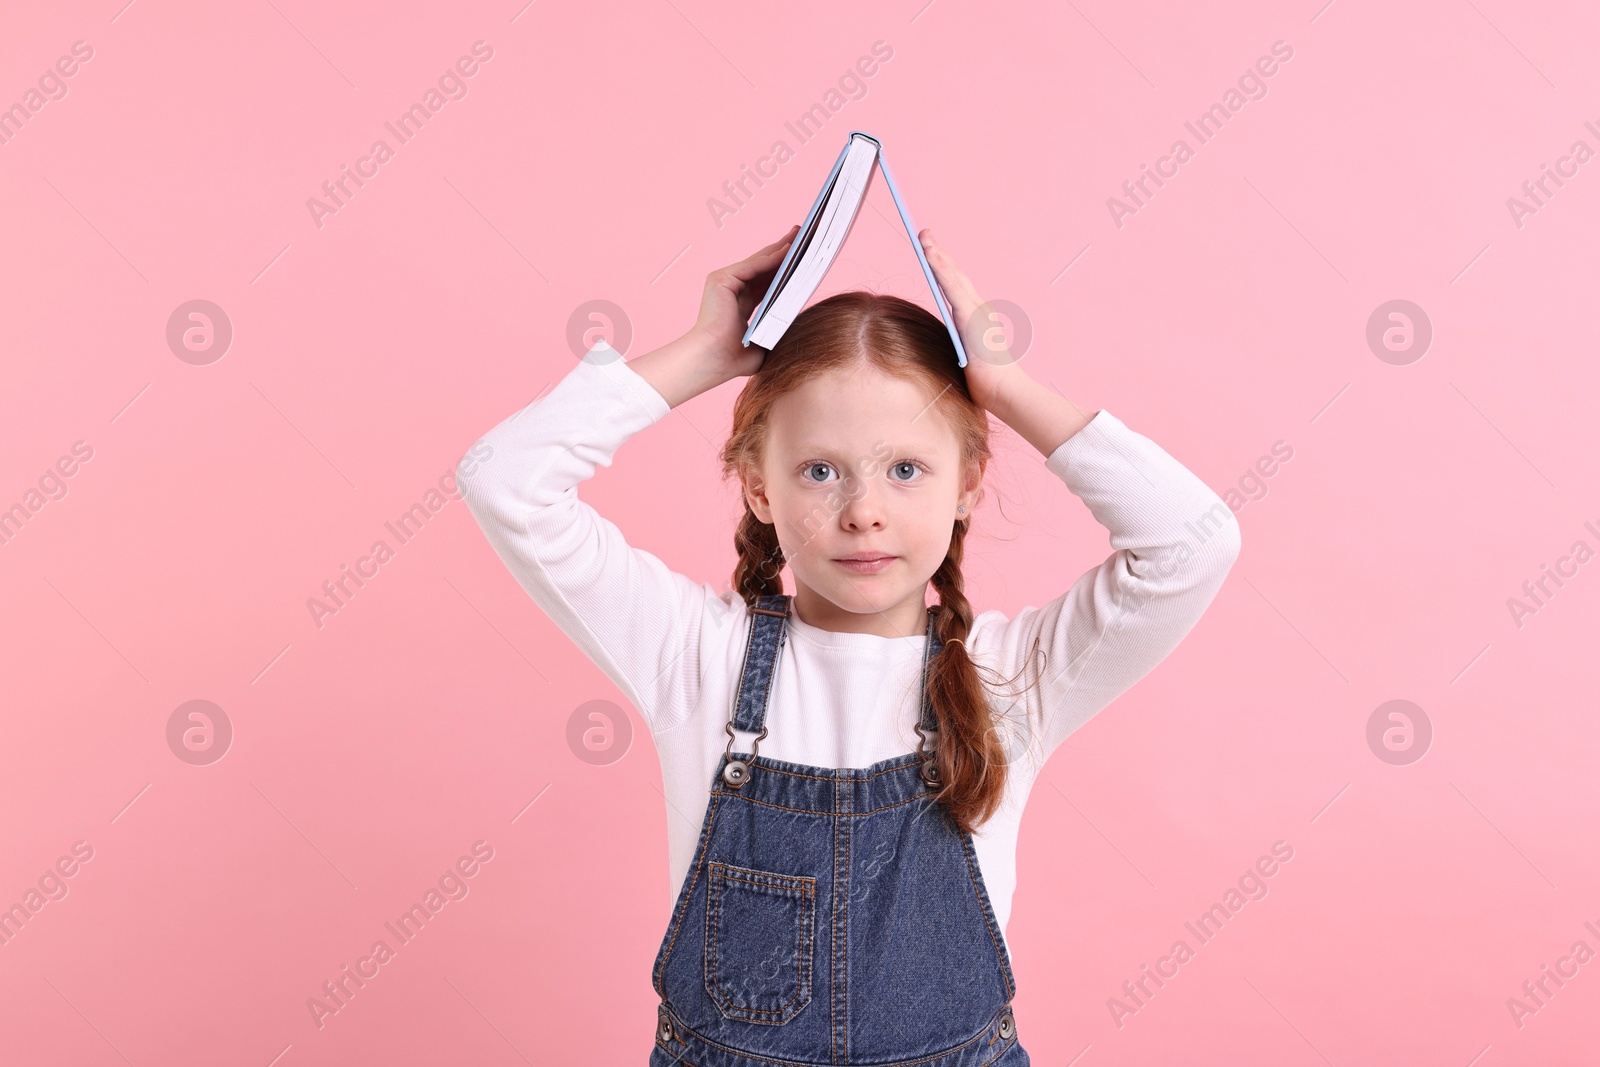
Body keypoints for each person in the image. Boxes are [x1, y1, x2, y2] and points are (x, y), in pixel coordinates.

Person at [459, 224, 1241, 1065]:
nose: (864, 509)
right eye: (820, 470)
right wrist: (704, 353)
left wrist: (1005, 388)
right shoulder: (696, 657)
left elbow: (1192, 544)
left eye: (906, 468)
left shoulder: (1011, 678)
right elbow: (504, 479)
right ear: (758, 485)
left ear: (968, 483)